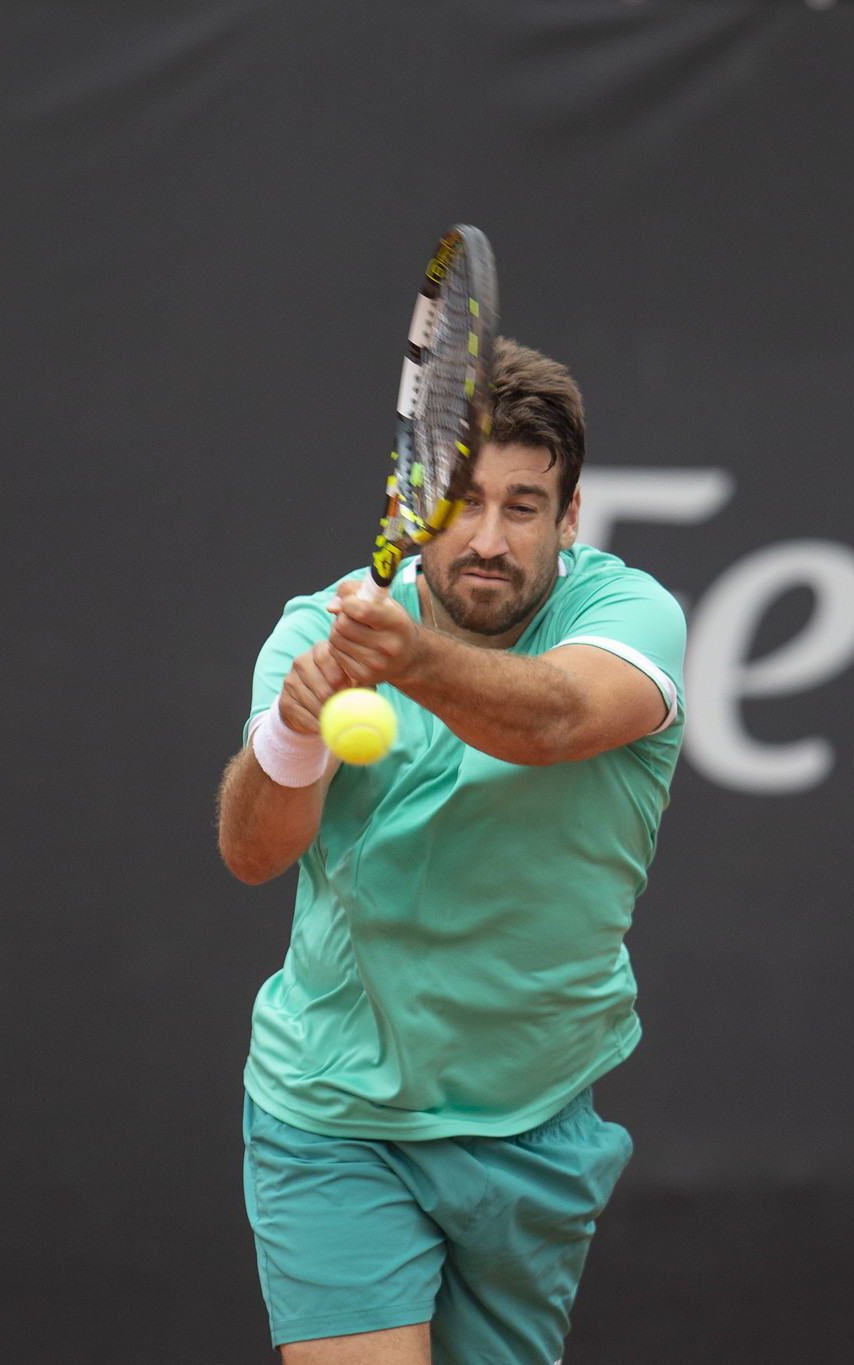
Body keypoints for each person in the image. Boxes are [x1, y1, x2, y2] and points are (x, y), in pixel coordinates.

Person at [216, 339, 685, 1365]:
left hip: (537, 1121)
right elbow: (253, 851)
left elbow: (555, 722)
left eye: (522, 507)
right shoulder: (315, 629)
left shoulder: (629, 616)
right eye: (461, 500)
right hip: (336, 1115)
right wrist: (296, 729)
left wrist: (408, 659)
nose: (486, 537)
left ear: (569, 519)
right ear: (412, 501)